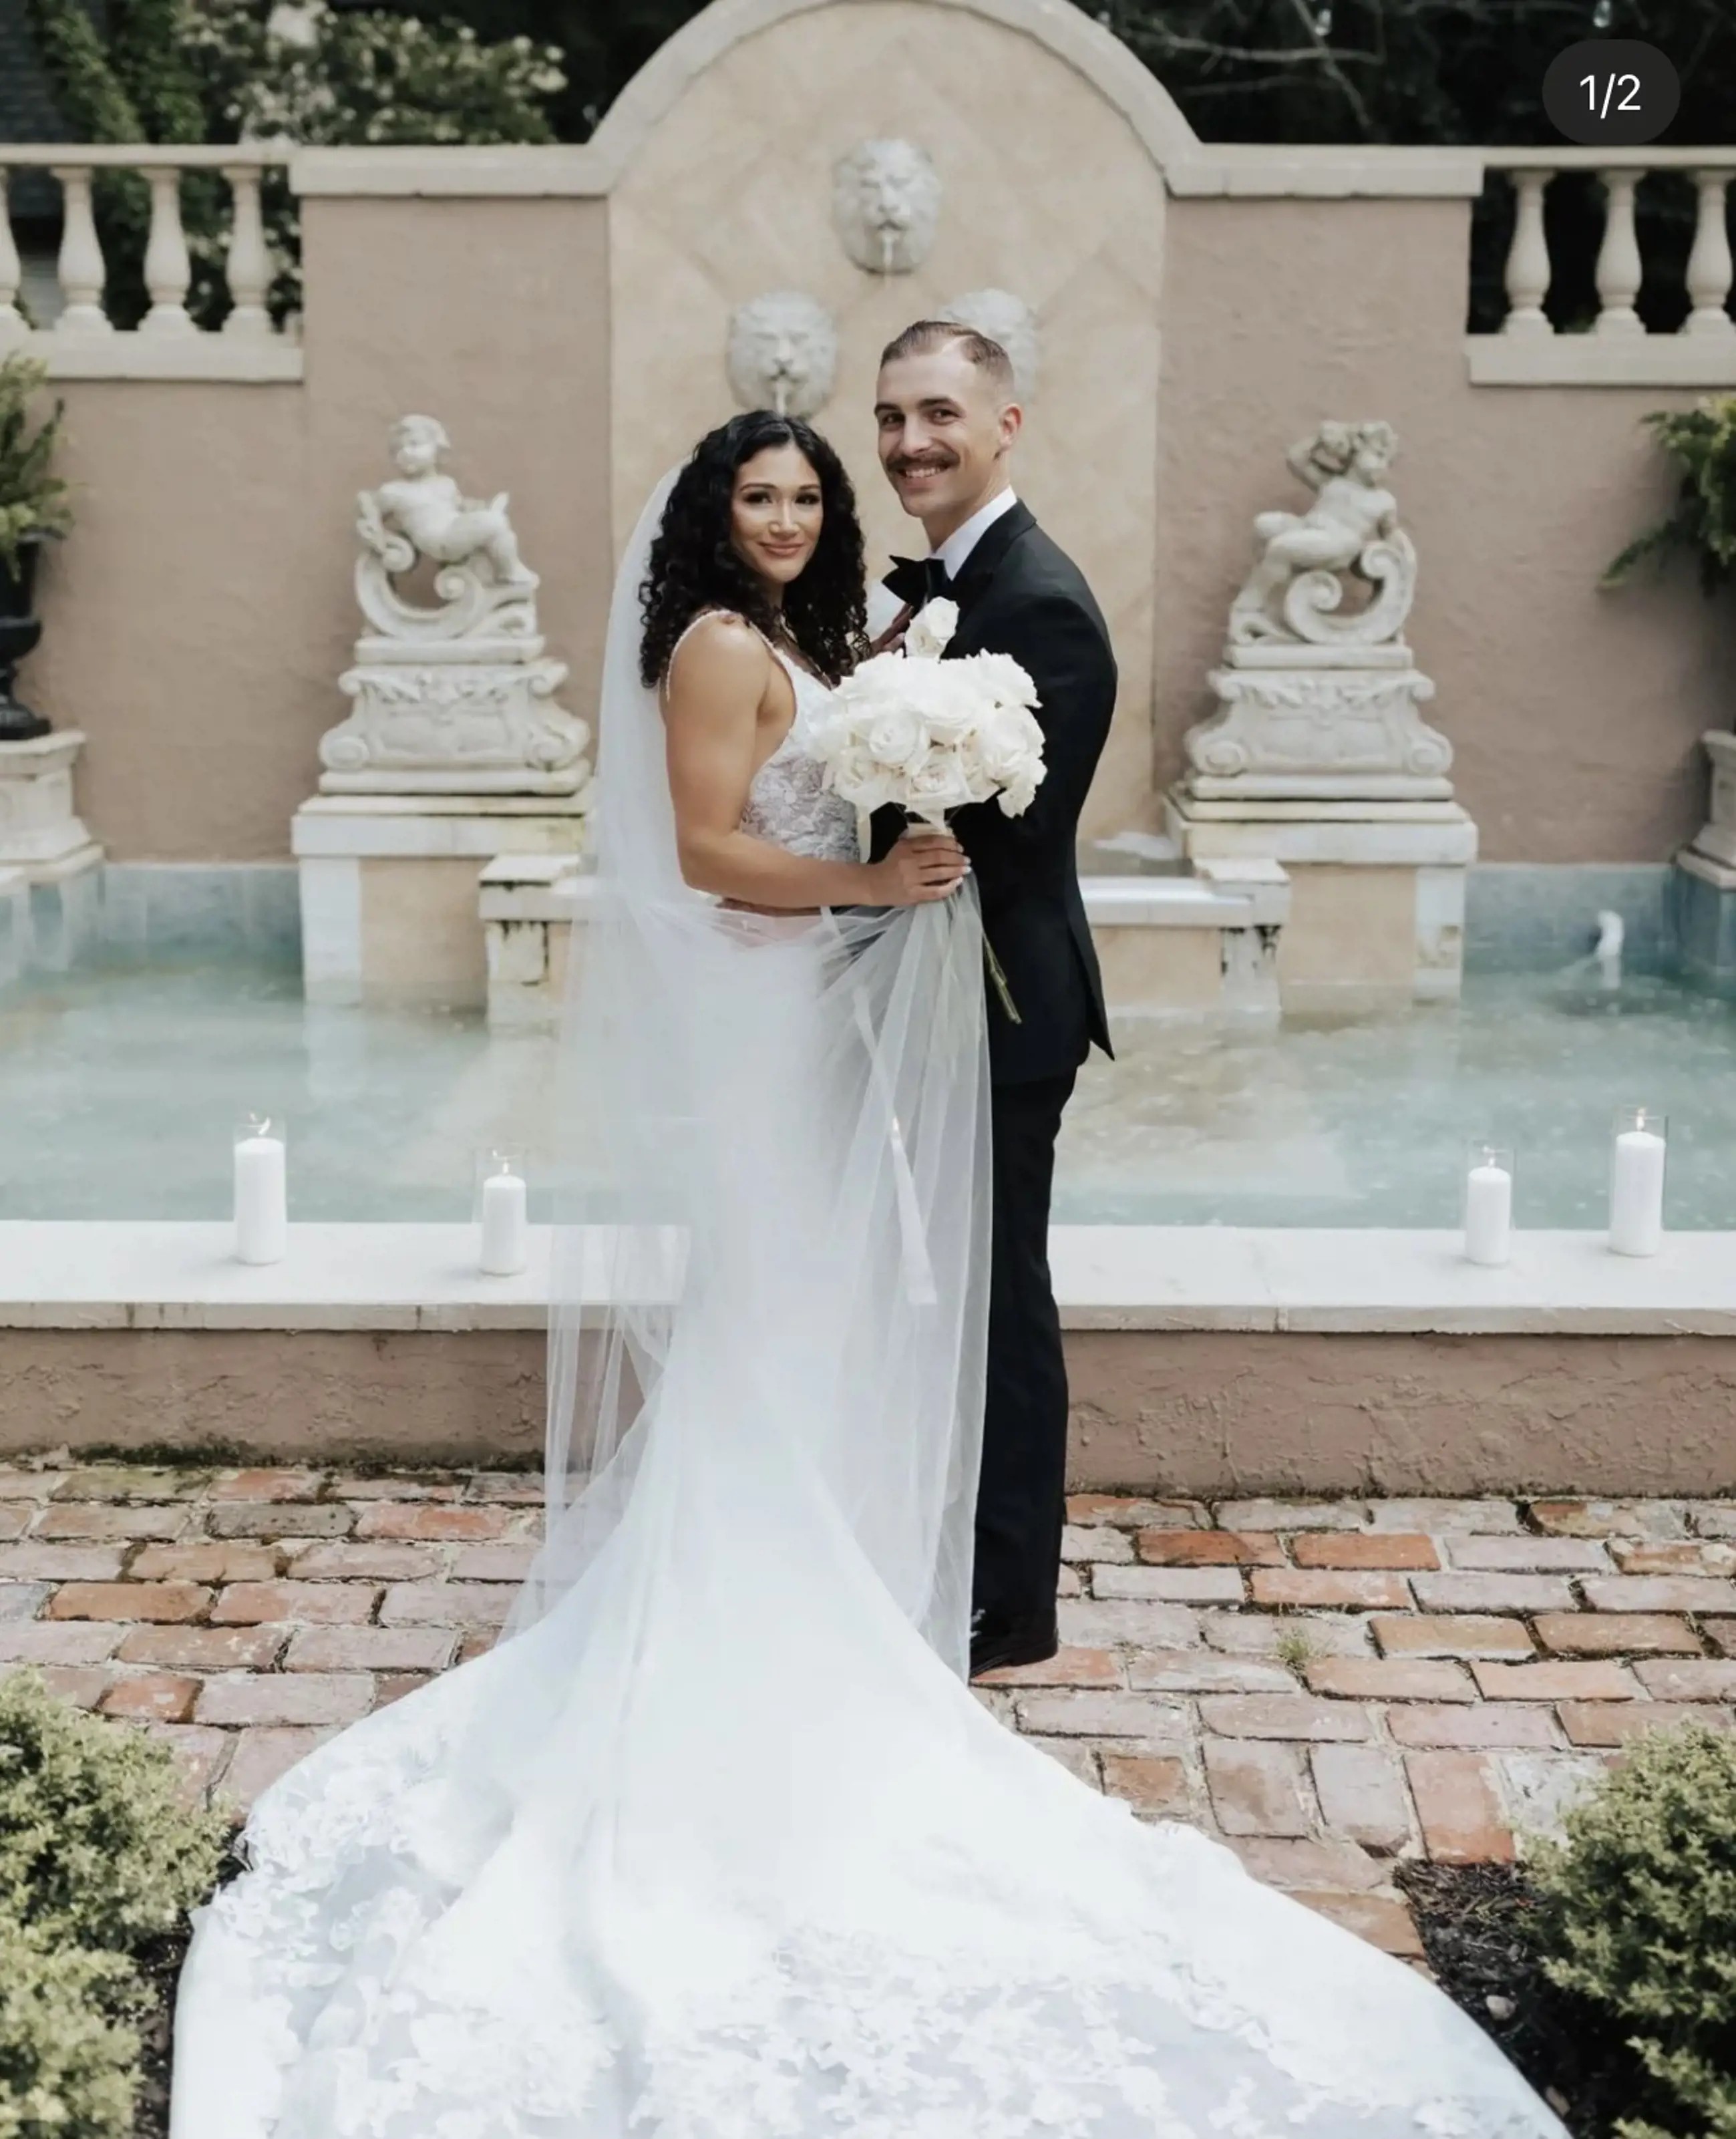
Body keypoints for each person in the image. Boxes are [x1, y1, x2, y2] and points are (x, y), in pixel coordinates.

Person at [168, 407, 1566, 2139]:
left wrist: (912, 761)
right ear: (713, 510)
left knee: (813, 1323)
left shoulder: (808, 640)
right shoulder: (705, 645)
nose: (785, 512)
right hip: (763, 1032)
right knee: (769, 1325)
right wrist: (875, 877)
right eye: (759, 492)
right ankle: (747, 1653)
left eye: (805, 492)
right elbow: (700, 853)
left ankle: (813, 1612)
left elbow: (824, 784)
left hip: (810, 1018)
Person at [872, 320, 1114, 1677]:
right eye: (893, 414)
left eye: (939, 413)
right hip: (928, 992)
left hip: (1001, 1000)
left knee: (998, 1298)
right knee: (957, 1287)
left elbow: (1006, 837)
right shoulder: (937, 587)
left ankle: (1005, 1602)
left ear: (1005, 423)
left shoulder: (1039, 600)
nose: (911, 440)